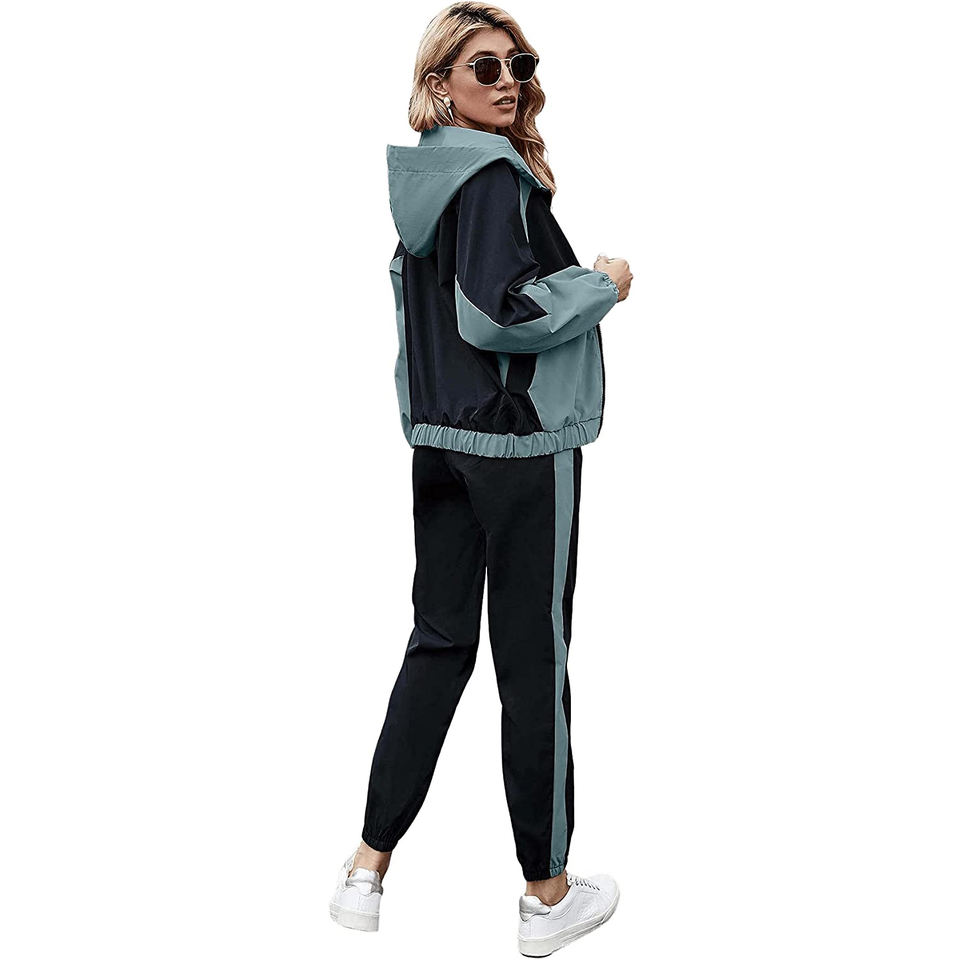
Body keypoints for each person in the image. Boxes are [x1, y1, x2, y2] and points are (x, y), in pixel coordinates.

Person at [329, 4, 633, 955]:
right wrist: (602, 283)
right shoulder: (493, 176)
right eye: (484, 66)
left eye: (518, 64)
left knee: (438, 643)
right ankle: (547, 895)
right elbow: (495, 312)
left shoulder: (426, 180)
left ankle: (365, 871)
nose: (508, 81)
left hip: (440, 445)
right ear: (440, 83)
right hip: (521, 448)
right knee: (534, 660)